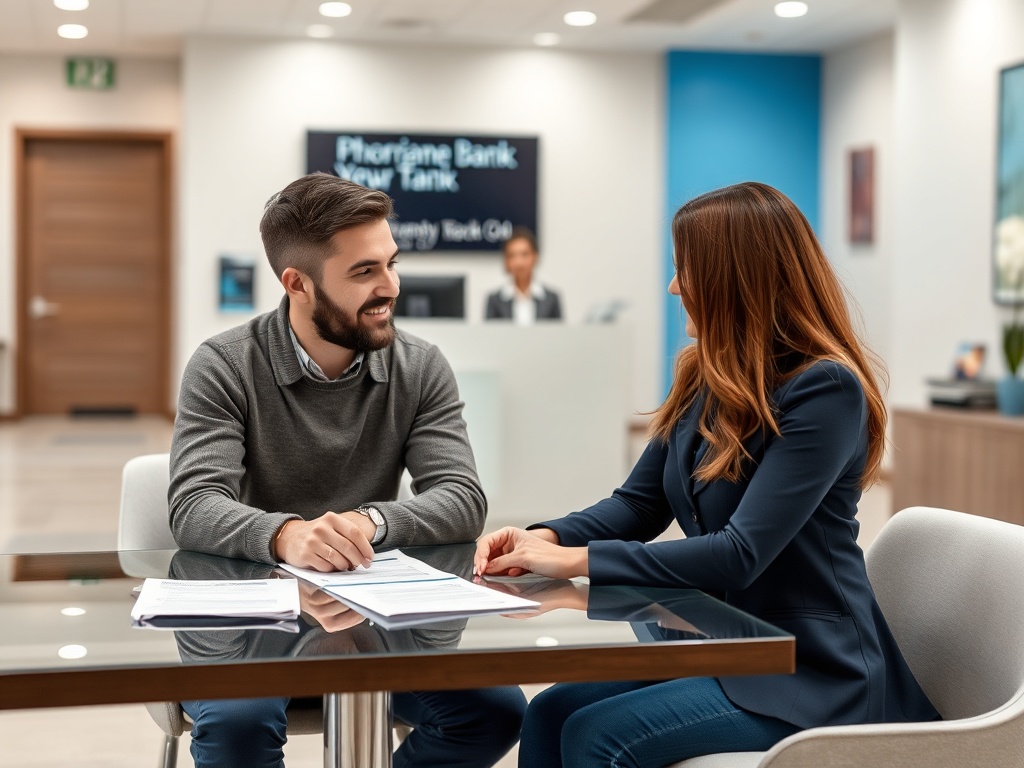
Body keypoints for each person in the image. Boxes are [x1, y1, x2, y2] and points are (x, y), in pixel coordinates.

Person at [474, 181, 939, 767]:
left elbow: (740, 552)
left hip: (810, 670)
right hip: (726, 643)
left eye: (684, 270)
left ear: (735, 280)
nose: (673, 286)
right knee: (550, 712)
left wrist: (572, 567)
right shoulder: (704, 376)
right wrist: (546, 537)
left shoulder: (825, 389)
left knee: (597, 736)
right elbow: (637, 505)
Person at [168, 172, 525, 768]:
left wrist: (368, 523)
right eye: (364, 272)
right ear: (297, 283)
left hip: (377, 619)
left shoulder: (420, 366)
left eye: (391, 263)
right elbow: (194, 504)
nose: (390, 287)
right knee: (236, 730)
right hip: (253, 622)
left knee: (496, 711)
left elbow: (462, 497)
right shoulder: (224, 365)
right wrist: (289, 535)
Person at [484, 227, 562, 322]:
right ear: (506, 261)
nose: (519, 262)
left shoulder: (551, 299)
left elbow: (559, 334)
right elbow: (489, 334)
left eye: (524, 254)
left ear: (535, 257)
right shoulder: (495, 300)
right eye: (512, 256)